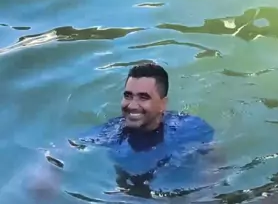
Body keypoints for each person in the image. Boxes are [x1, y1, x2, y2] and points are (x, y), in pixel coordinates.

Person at [27, 63, 214, 200]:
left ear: (163, 104)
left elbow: (214, 159)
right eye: (128, 95)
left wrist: (205, 190)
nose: (132, 105)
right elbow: (68, 146)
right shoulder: (113, 132)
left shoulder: (190, 128)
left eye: (143, 97)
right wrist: (48, 170)